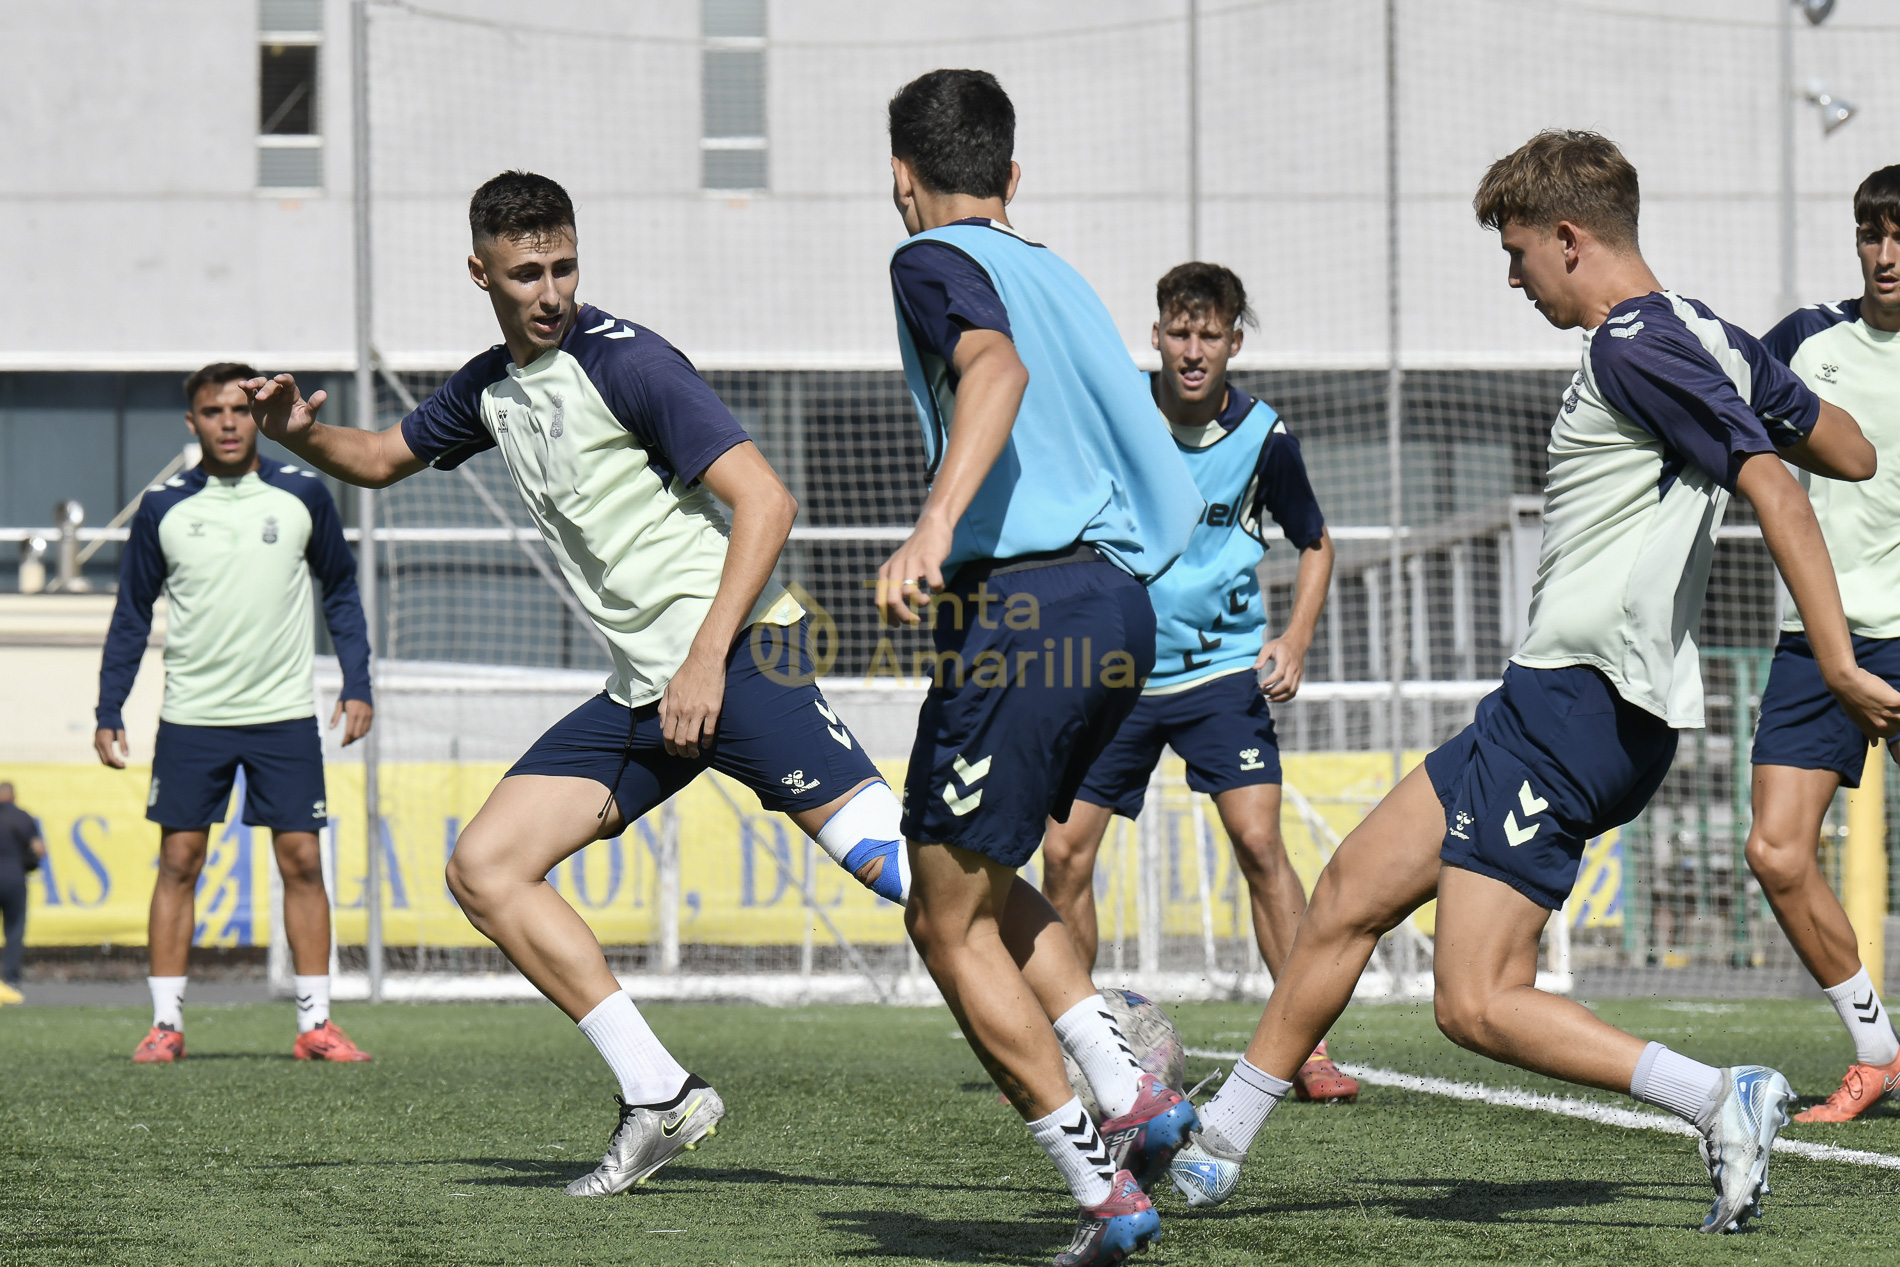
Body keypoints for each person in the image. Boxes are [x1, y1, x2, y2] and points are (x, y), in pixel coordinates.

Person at [244, 171, 1157, 1201]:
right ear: (480, 273)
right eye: (526, 273)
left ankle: (1118, 1061)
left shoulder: (628, 362)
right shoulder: (489, 388)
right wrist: (296, 433)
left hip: (741, 659)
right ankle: (659, 1093)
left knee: (923, 874)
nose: (550, 291)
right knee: (487, 868)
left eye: (564, 266)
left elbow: (767, 500)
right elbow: (376, 456)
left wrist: (704, 659)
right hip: (649, 689)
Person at [1165, 130, 1900, 1236]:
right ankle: (1217, 1141)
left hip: (1582, 703)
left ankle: (1719, 1096)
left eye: (1516, 252)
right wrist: (1746, 416)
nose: (1513, 277)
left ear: (1568, 238)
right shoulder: (1707, 332)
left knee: (1473, 1000)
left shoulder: (1638, 345)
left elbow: (1784, 493)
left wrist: (1837, 659)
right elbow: (1850, 451)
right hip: (1550, 701)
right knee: (1351, 888)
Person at [878, 71, 1205, 1266]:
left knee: (940, 918)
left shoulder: (930, 258)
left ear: (900, 177)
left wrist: (931, 524)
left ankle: (1099, 1184)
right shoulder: (1057, 270)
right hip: (1115, 607)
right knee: (976, 879)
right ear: (1012, 175)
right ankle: (1129, 1088)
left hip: (1025, 607)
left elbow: (994, 371)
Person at [1039, 262, 1356, 1103]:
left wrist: (1295, 638)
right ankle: (1068, 1051)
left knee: (1259, 843)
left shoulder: (1264, 438)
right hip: (1116, 675)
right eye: (1179, 332)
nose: (1192, 349)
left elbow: (1316, 542)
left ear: (1232, 343)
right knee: (1063, 853)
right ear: (1156, 336)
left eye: (1209, 335)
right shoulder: (1119, 421)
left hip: (1221, 673)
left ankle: (1307, 1046)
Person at [96, 362, 376, 1064]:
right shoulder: (162, 507)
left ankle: (316, 1024)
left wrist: (358, 681)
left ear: (257, 416)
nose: (227, 422)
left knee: (302, 859)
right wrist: (109, 706)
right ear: (192, 422)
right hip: (192, 715)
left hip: (283, 713)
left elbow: (341, 592)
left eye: (238, 409)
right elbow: (131, 614)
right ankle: (165, 1025)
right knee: (179, 859)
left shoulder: (303, 493)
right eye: (213, 411)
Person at [1748, 163, 1900, 1122]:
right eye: (1870, 235)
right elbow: (1717, 400)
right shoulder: (1806, 339)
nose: (1885, 255)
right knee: (1776, 851)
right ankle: (1877, 1051)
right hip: (1818, 638)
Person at [0, 781, 47, 1005]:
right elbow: (39, 849)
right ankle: (10, 980)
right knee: (14, 930)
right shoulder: (22, 817)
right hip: (14, 879)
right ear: (13, 796)